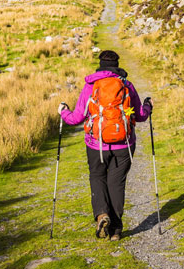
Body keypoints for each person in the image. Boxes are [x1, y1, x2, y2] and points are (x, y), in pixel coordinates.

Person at [59, 50, 152, 240]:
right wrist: (148, 105)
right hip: (124, 145)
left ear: (100, 65)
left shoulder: (90, 86)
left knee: (97, 176)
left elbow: (76, 118)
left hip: (96, 145)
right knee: (117, 184)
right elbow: (141, 115)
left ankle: (102, 213)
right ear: (117, 65)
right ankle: (116, 231)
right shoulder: (126, 86)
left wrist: (63, 112)